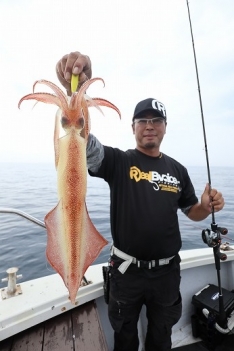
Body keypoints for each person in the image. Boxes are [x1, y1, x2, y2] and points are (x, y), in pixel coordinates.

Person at [56, 51, 225, 351]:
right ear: (132, 127)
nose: (150, 125)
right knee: (125, 338)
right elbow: (84, 142)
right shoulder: (118, 162)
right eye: (143, 120)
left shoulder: (178, 170)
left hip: (167, 272)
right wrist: (75, 95)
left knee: (162, 336)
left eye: (156, 120)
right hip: (126, 273)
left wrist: (205, 205)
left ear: (165, 127)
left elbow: (192, 212)